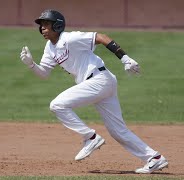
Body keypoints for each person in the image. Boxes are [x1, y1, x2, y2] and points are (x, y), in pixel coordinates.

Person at [19, 9, 168, 174]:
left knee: (57, 105)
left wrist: (125, 58)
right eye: (41, 25)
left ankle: (90, 137)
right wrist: (31, 64)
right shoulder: (49, 48)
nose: (42, 28)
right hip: (100, 83)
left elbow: (102, 37)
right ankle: (154, 158)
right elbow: (45, 73)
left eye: (46, 24)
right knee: (118, 131)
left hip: (99, 80)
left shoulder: (70, 38)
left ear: (58, 25)